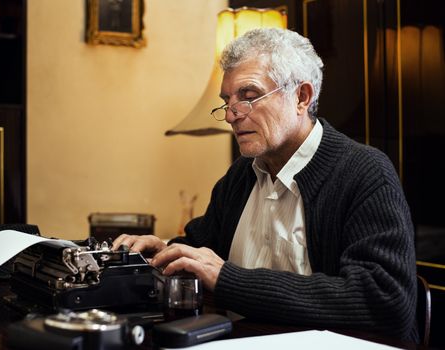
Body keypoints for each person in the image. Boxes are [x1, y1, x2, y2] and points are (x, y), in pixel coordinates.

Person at [113, 28, 418, 342]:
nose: (231, 115)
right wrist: (167, 251)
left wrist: (229, 280)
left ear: (302, 97)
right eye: (227, 101)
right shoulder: (241, 175)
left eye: (248, 97)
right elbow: (205, 248)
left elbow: (385, 300)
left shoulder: (365, 172)